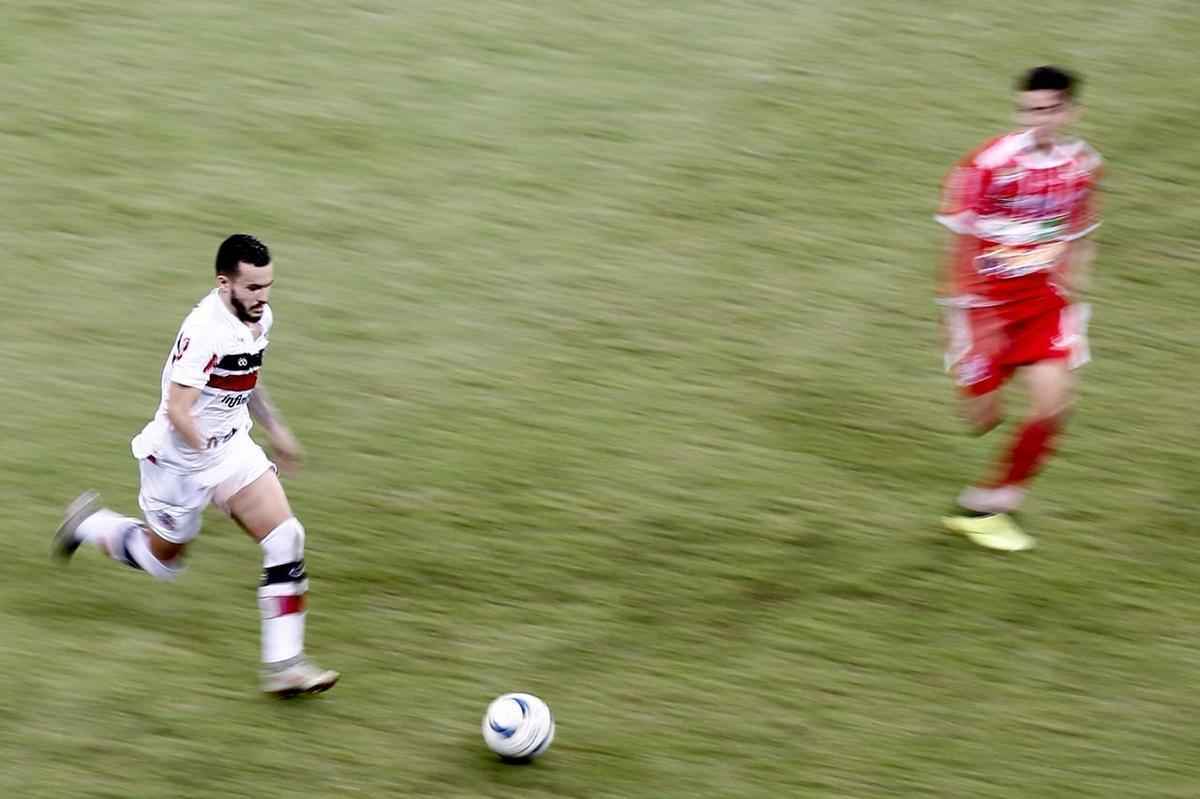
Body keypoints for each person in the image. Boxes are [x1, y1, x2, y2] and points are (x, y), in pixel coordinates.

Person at [53, 234, 339, 695]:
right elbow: (178, 409)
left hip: (229, 450)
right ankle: (90, 524)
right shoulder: (205, 330)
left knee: (287, 536)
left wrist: (276, 430)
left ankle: (286, 666)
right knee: (164, 560)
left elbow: (245, 378)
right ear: (224, 283)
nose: (262, 298)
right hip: (176, 463)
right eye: (252, 288)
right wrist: (206, 466)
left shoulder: (258, 317)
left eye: (267, 287)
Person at [936, 66, 1102, 551]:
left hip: (1043, 303)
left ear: (1072, 111)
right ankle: (982, 391)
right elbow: (957, 243)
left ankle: (988, 506)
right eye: (1030, 110)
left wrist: (1074, 281)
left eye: (1050, 110)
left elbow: (1081, 230)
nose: (1039, 120)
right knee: (981, 417)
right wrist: (956, 318)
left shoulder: (1083, 166)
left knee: (1055, 402)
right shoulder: (986, 164)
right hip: (985, 305)